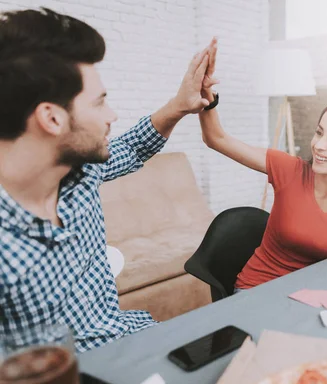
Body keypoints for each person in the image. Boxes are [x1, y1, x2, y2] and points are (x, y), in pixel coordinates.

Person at [0, 8, 215, 352]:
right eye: (100, 102)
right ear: (52, 118)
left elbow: (132, 147)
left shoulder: (78, 170)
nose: (111, 115)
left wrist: (179, 106)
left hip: (129, 337)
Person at [198, 39, 327, 290]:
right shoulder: (288, 169)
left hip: (308, 294)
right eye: (319, 133)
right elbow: (216, 139)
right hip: (256, 289)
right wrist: (206, 99)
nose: (319, 145)